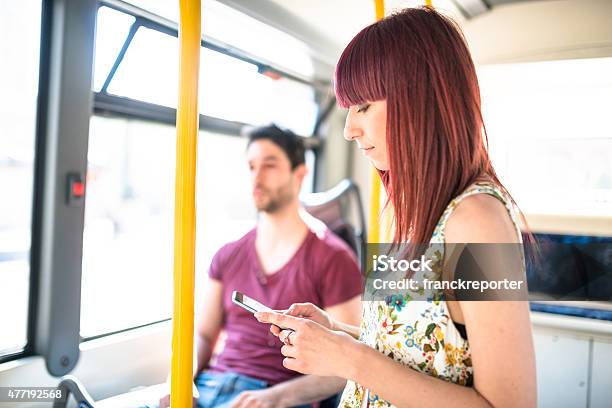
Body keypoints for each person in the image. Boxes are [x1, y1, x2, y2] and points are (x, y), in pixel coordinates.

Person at [255, 7, 537, 408]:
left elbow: (510, 405)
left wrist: (349, 358)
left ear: (419, 100)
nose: (349, 129)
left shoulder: (477, 221)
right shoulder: (416, 214)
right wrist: (336, 333)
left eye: (364, 106)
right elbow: (415, 352)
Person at [155, 124, 363, 408]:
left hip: (279, 394)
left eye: (270, 165)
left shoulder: (333, 258)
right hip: (211, 387)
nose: (257, 177)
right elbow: (203, 334)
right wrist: (179, 380)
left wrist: (275, 398)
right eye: (252, 166)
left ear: (300, 174)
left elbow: (349, 360)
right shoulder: (228, 254)